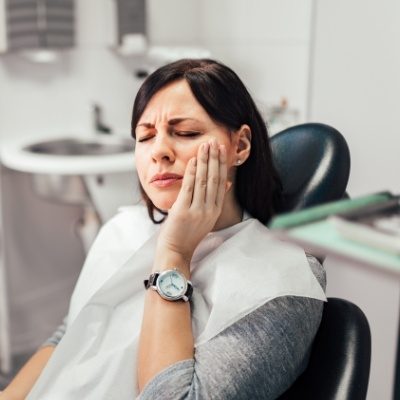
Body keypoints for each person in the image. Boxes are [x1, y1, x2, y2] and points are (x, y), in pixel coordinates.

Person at [1, 59, 326, 400]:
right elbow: (71, 335)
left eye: (186, 133)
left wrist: (174, 253)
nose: (159, 152)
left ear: (240, 146)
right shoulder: (124, 230)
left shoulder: (284, 284)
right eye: (145, 136)